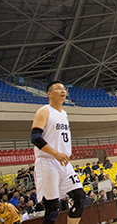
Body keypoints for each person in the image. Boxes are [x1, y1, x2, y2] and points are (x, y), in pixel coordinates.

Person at [30, 82, 85, 224]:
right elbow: (35, 138)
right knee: (53, 209)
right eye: (58, 88)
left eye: (64, 89)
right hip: (47, 162)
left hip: (64, 163)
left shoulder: (64, 114)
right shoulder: (44, 111)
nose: (63, 91)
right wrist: (55, 153)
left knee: (80, 198)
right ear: (49, 94)